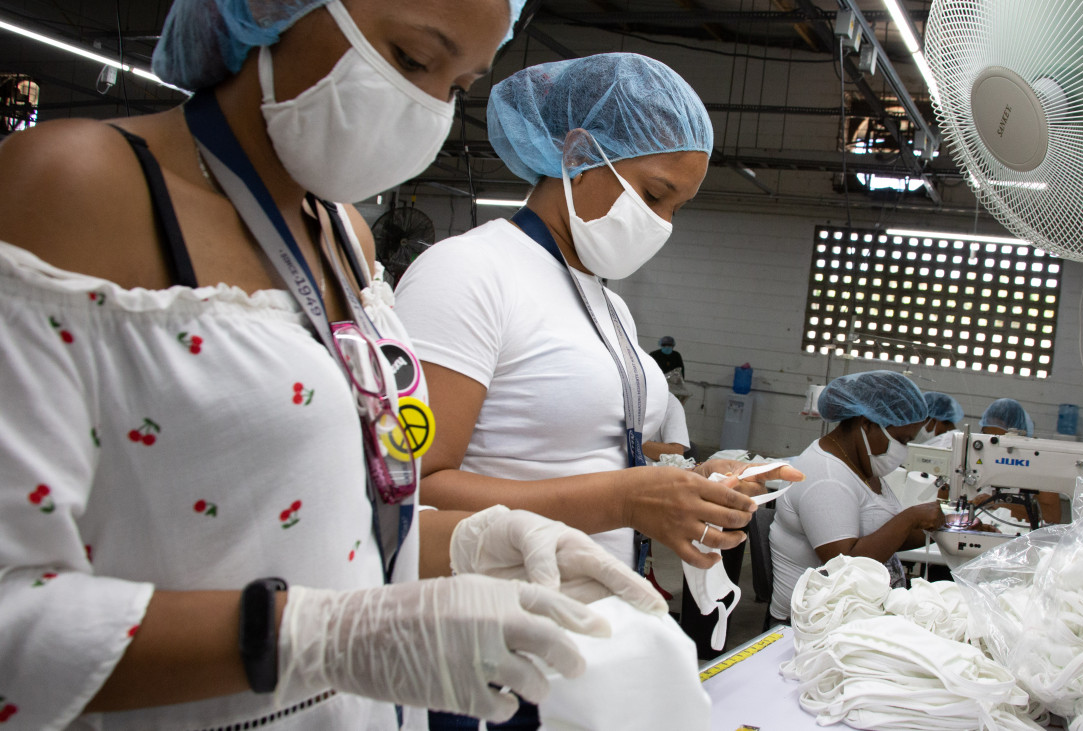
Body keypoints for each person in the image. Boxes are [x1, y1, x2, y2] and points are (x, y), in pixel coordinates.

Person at [0, 2, 665, 729]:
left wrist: (467, 541)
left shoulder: (345, 239)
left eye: (456, 87)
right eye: (412, 59)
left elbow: (336, 526)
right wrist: (316, 637)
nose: (424, 107)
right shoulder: (77, 187)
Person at [394, 53, 801, 726]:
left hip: (590, 644)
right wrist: (626, 499)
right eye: (654, 194)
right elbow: (412, 492)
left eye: (677, 207)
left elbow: (596, 456)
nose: (663, 222)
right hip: (489, 648)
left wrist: (689, 485)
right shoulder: (468, 273)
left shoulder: (609, 306)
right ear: (580, 157)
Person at [768, 371, 945, 622]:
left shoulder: (861, 465)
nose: (903, 451)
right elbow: (845, 567)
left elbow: (886, 537)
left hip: (855, 613)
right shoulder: (825, 477)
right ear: (867, 424)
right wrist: (909, 518)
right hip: (814, 623)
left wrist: (947, 526)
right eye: (901, 440)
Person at [976, 398, 1061, 524]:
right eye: (989, 441)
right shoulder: (980, 460)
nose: (993, 451)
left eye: (999, 443)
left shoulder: (1039, 466)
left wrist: (999, 504)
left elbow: (1051, 517)